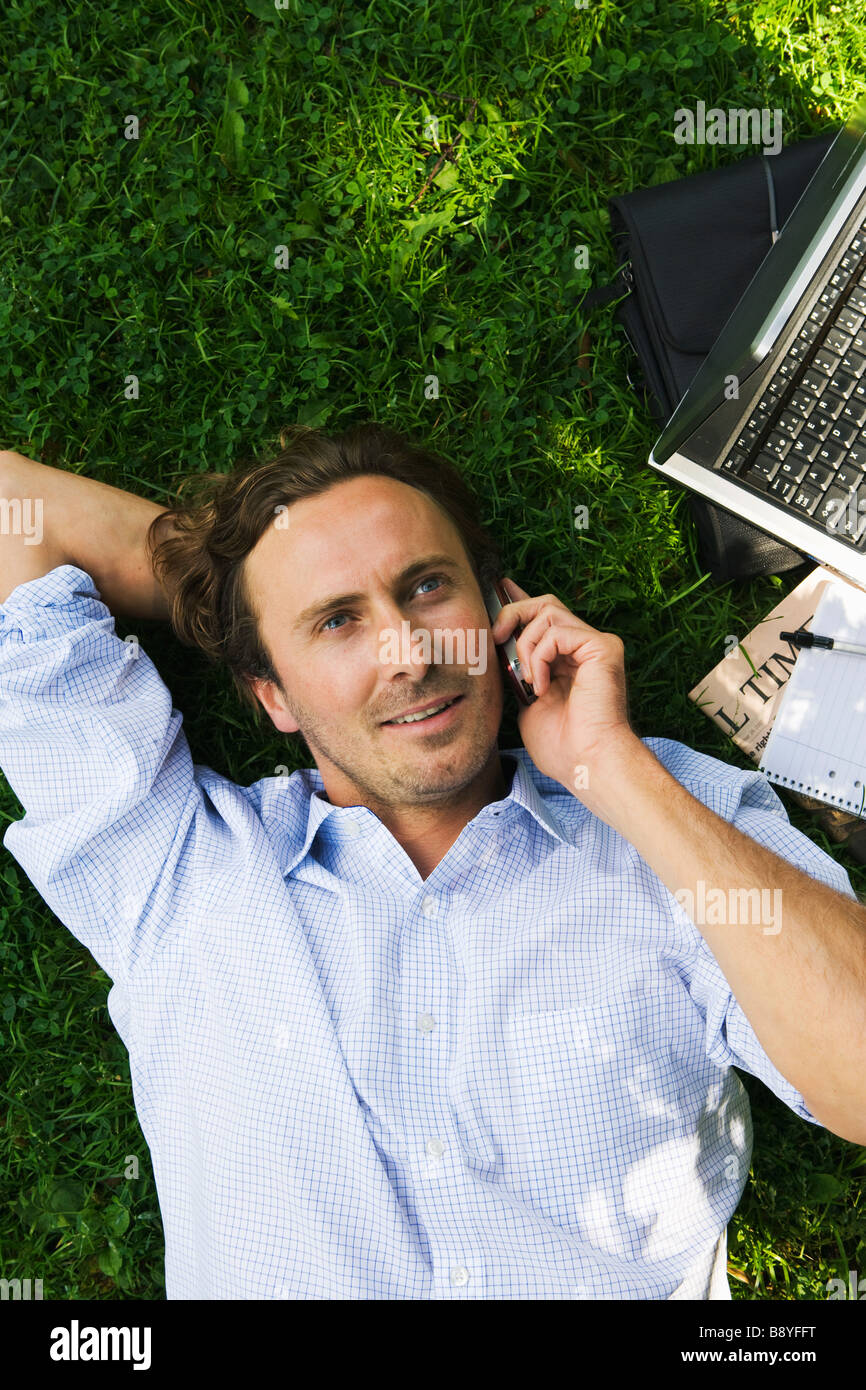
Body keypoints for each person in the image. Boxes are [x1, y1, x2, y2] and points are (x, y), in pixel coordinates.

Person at [1, 421, 864, 1301]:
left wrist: (612, 767)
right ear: (271, 695)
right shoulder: (172, 869)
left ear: (499, 612)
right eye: (337, 622)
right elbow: (13, 512)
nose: (409, 656)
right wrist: (232, 582)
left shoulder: (673, 823)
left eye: (426, 588)